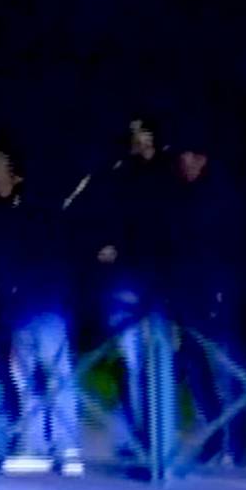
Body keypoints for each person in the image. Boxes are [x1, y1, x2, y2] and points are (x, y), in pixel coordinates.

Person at [64, 115, 170, 459]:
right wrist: (102, 245)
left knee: (154, 364)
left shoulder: (165, 176)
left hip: (158, 283)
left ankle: (150, 441)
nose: (141, 142)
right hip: (126, 283)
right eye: (136, 136)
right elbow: (76, 213)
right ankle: (140, 443)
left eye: (146, 135)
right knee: (137, 363)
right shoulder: (116, 176)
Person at [0, 146, 83, 476]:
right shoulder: (7, 212)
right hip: (32, 306)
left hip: (38, 305)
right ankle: (50, 447)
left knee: (45, 377)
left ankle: (55, 447)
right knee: (36, 378)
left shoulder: (26, 213)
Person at [164, 119, 246, 467]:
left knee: (226, 374)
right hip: (189, 299)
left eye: (188, 157)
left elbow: (229, 249)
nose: (183, 164)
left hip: (218, 297)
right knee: (198, 374)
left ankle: (234, 446)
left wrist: (220, 293)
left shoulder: (221, 198)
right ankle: (215, 440)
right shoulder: (180, 198)